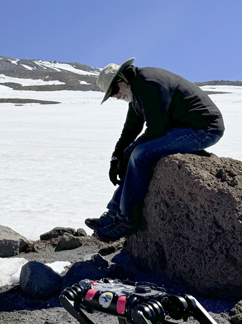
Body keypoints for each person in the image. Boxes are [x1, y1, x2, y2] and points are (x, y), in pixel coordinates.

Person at [86, 58, 224, 242]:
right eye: (111, 95)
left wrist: (128, 154)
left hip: (203, 130)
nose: (116, 97)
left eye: (114, 92)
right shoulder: (135, 92)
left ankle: (127, 220)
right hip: (180, 129)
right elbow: (129, 131)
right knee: (133, 153)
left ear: (122, 79)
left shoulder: (149, 83)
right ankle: (113, 213)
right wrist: (115, 158)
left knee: (140, 155)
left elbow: (157, 128)